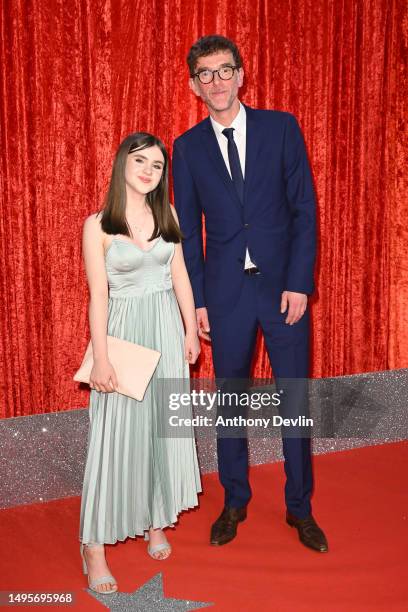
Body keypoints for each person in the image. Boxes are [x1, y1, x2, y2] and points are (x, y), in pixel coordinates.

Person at [172, 35, 328, 552]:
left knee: (294, 400)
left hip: (284, 290)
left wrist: (300, 282)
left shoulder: (281, 128)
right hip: (224, 294)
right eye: (205, 74)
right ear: (195, 86)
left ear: (241, 75)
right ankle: (234, 499)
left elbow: (304, 209)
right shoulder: (187, 148)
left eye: (224, 70)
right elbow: (189, 233)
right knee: (231, 401)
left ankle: (299, 507)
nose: (215, 81)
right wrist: (196, 303)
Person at [78, 132, 202, 594]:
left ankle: (154, 519)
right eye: (141, 161)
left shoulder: (166, 213)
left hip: (167, 333)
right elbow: (98, 297)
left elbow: (180, 275)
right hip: (124, 336)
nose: (150, 170)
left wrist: (189, 330)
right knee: (114, 439)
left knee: (158, 429)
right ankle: (92, 543)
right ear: (121, 165)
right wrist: (101, 360)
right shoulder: (99, 224)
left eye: (157, 164)